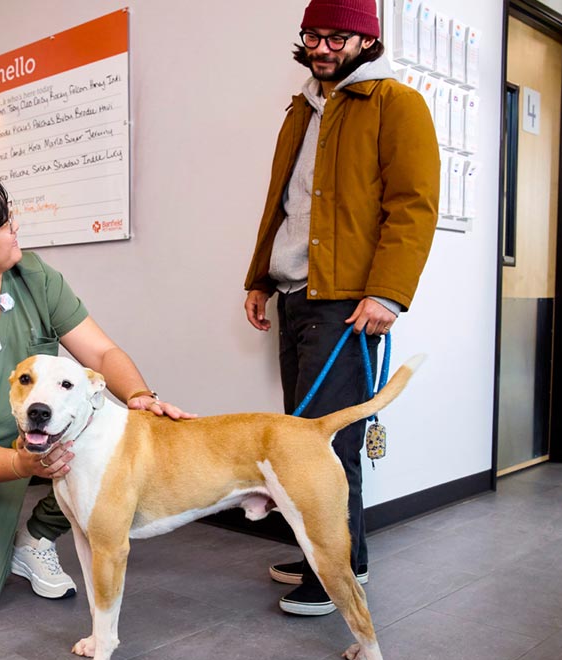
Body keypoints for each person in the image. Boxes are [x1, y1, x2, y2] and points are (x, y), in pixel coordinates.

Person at [0, 171, 192, 612]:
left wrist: (138, 397)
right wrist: (21, 462)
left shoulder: (31, 275)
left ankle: (34, 537)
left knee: (107, 441)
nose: (16, 226)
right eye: (3, 223)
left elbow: (102, 352)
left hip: (44, 434)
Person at [243, 0, 438, 616]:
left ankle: (340, 572)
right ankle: (330, 553)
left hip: (347, 303)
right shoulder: (301, 108)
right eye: (314, 35)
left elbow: (413, 205)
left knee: (328, 446)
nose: (324, 47)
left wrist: (387, 292)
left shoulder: (394, 103)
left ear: (365, 42)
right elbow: (282, 203)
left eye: (339, 37)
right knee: (302, 442)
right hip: (295, 292)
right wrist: (259, 278)